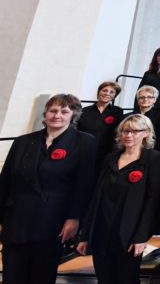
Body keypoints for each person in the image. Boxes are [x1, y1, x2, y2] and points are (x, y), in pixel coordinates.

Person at [0, 94, 95, 284]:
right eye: (53, 110)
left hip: (53, 219)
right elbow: (5, 181)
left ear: (73, 115)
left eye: (64, 111)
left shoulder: (84, 142)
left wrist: (74, 217)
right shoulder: (23, 141)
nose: (57, 115)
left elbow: (83, 184)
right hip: (17, 217)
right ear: (45, 114)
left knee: (41, 273)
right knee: (12, 273)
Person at [77, 114, 160, 283]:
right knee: (104, 278)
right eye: (125, 131)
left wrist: (141, 236)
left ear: (146, 133)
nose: (128, 135)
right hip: (102, 228)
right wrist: (86, 235)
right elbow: (97, 196)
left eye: (134, 131)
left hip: (129, 232)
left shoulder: (152, 158)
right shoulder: (111, 158)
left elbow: (151, 200)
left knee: (126, 278)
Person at [78, 81, 124, 173]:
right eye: (104, 90)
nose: (107, 93)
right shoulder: (84, 111)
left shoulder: (118, 111)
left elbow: (118, 133)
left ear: (114, 96)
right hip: (85, 152)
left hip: (106, 154)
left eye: (111, 92)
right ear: (99, 92)